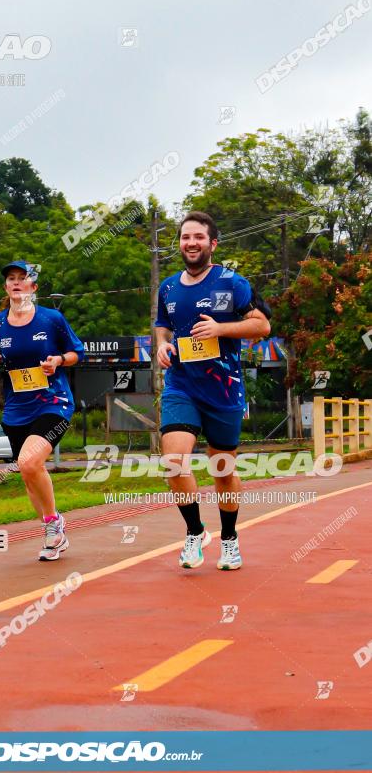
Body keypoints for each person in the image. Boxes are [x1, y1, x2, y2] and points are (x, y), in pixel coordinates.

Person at [155, 212, 271, 570]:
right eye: (185, 237)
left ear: (212, 244)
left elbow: (261, 325)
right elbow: (162, 326)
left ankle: (230, 539)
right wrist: (161, 345)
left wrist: (221, 329)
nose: (191, 243)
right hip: (181, 385)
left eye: (199, 237)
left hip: (223, 389)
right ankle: (195, 532)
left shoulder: (232, 282)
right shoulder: (169, 288)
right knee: (174, 461)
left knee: (222, 469)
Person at [0, 260, 84, 560]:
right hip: (16, 410)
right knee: (28, 472)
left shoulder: (51, 319)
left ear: (33, 287)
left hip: (53, 403)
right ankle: (54, 532)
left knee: (28, 461)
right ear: (5, 287)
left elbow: (78, 352)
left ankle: (53, 524)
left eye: (22, 279)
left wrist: (59, 361)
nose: (16, 283)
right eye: (11, 278)